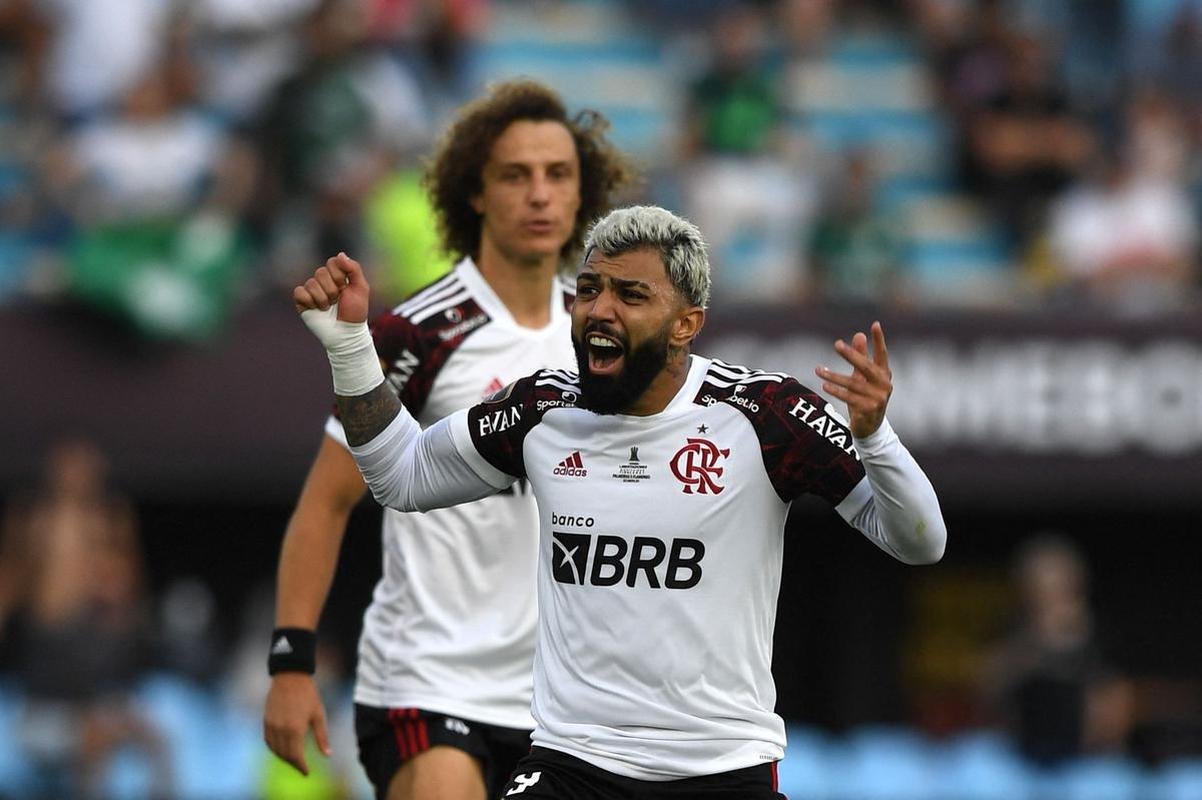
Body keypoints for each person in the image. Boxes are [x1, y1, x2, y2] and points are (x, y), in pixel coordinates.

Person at [291, 204, 947, 797]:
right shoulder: (543, 408)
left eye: (631, 295)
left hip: (720, 769)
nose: (600, 310)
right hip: (573, 764)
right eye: (590, 290)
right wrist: (350, 345)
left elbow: (921, 541)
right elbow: (401, 477)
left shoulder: (765, 414)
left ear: (686, 324)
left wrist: (875, 437)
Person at [262, 79, 634, 800]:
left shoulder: (608, 336)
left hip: (565, 703)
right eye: (515, 175)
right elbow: (326, 502)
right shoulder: (419, 333)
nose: (539, 195)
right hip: (428, 679)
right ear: (474, 191)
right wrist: (290, 664)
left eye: (558, 175)